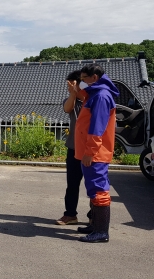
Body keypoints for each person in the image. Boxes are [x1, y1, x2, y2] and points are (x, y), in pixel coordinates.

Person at [75, 63, 119, 243]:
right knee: (93, 189)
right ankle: (95, 225)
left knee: (99, 189)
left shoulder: (101, 96)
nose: (82, 82)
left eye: (84, 78)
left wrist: (90, 152)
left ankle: (101, 231)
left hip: (95, 153)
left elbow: (97, 128)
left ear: (94, 78)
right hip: (93, 152)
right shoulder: (95, 94)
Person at [56, 70, 88, 226]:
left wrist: (78, 92)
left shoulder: (92, 100)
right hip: (74, 148)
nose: (68, 87)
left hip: (90, 149)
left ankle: (94, 216)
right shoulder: (71, 100)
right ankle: (70, 215)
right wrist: (73, 94)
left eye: (71, 84)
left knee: (92, 184)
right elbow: (67, 109)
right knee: (72, 184)